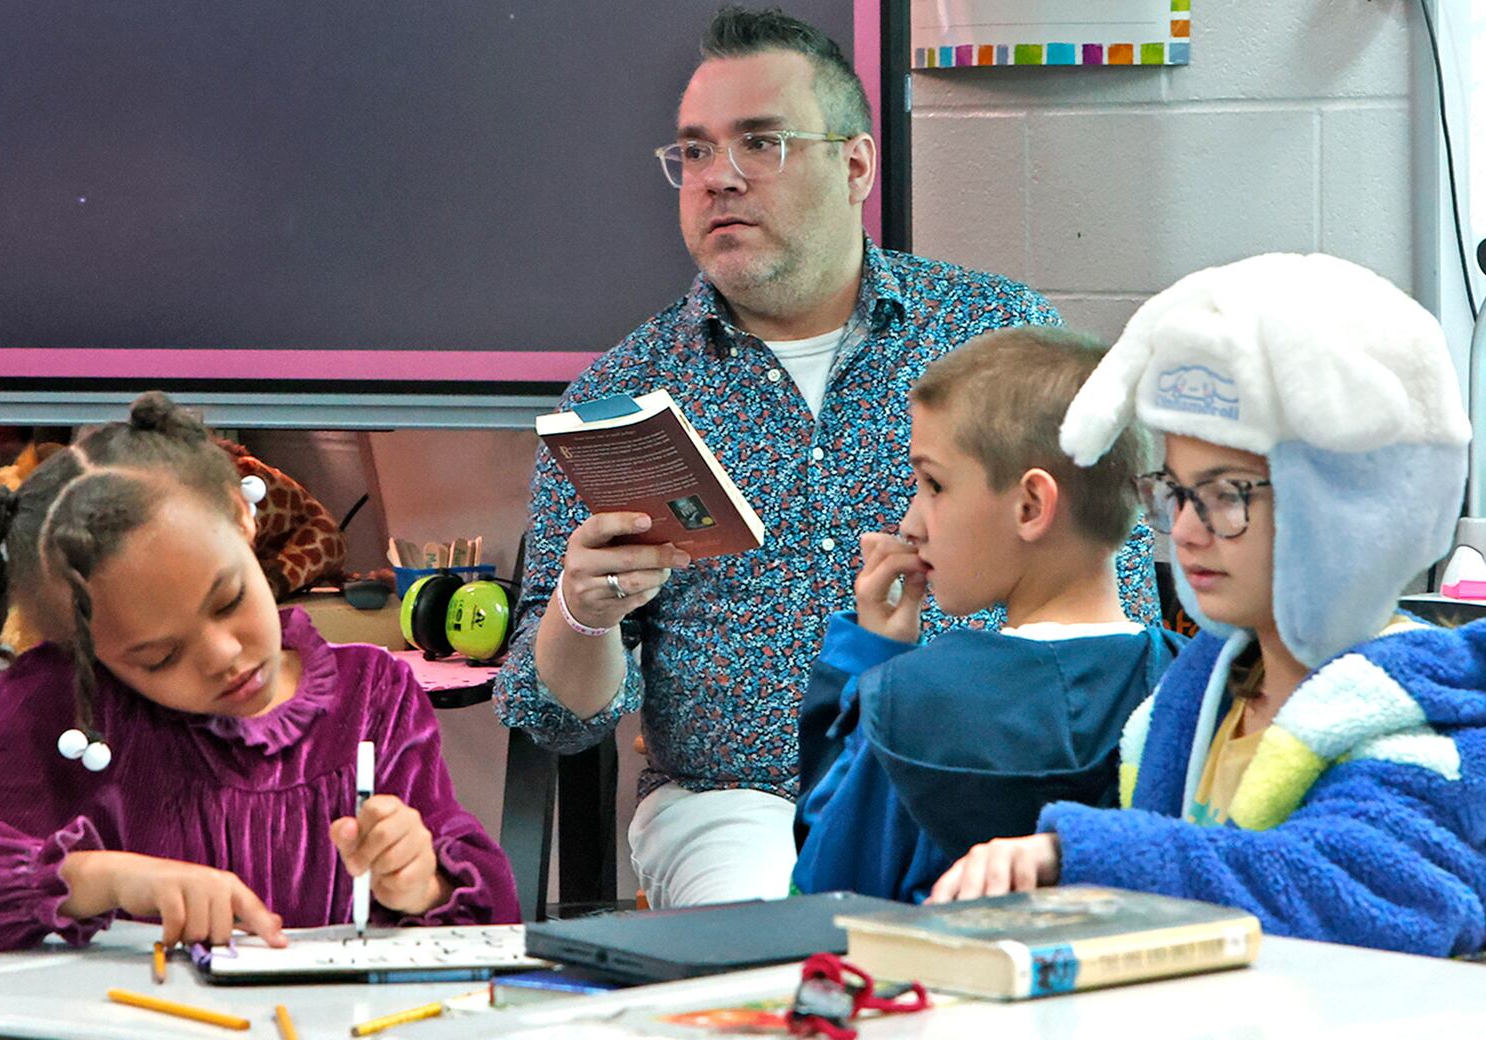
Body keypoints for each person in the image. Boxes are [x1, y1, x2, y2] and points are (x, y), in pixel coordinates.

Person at [492, 5, 1159, 909]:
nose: (718, 178)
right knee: (794, 943)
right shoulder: (622, 398)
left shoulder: (996, 336)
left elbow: (1113, 588)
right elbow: (554, 717)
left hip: (1003, 767)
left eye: (759, 143)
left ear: (855, 165)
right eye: (693, 152)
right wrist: (584, 613)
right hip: (737, 802)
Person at [929, 253, 1486, 957]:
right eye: (1174, 490)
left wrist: (1084, 852)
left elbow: (1355, 892)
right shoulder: (1201, 692)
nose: (1183, 528)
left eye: (1228, 494)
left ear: (1346, 505)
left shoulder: (1440, 719)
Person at [0, 393, 519, 952]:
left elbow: (494, 921)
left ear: (242, 516)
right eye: (159, 658)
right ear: (85, 654)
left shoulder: (374, 696)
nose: (223, 655)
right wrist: (101, 879)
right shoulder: (61, 709)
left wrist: (423, 882)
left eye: (228, 600)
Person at [792, 327, 1184, 903]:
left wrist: (865, 661)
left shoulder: (907, 701)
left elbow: (825, 890)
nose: (910, 523)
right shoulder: (1188, 687)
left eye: (933, 484)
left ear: (1030, 506)